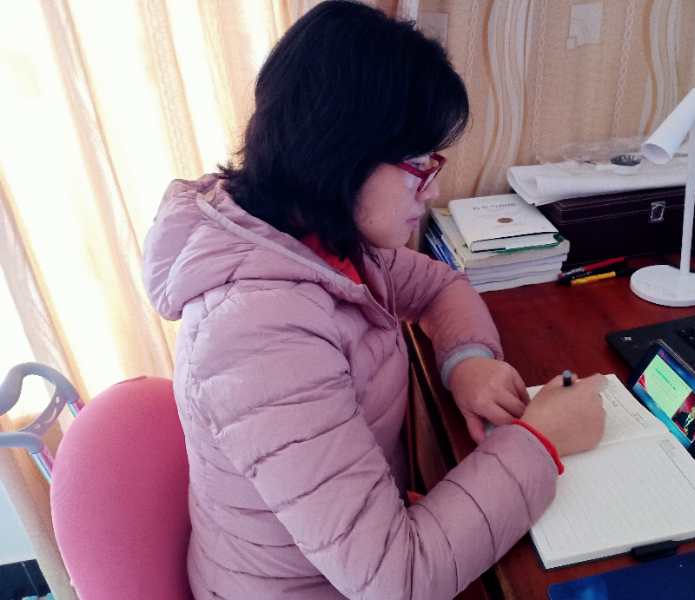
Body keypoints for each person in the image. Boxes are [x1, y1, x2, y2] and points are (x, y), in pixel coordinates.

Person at [142, 2, 606, 598]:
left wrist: (467, 361)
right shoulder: (259, 333)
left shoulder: (314, 241)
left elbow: (440, 285)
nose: (432, 189)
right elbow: (396, 579)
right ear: (339, 152)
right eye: (419, 165)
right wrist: (542, 441)